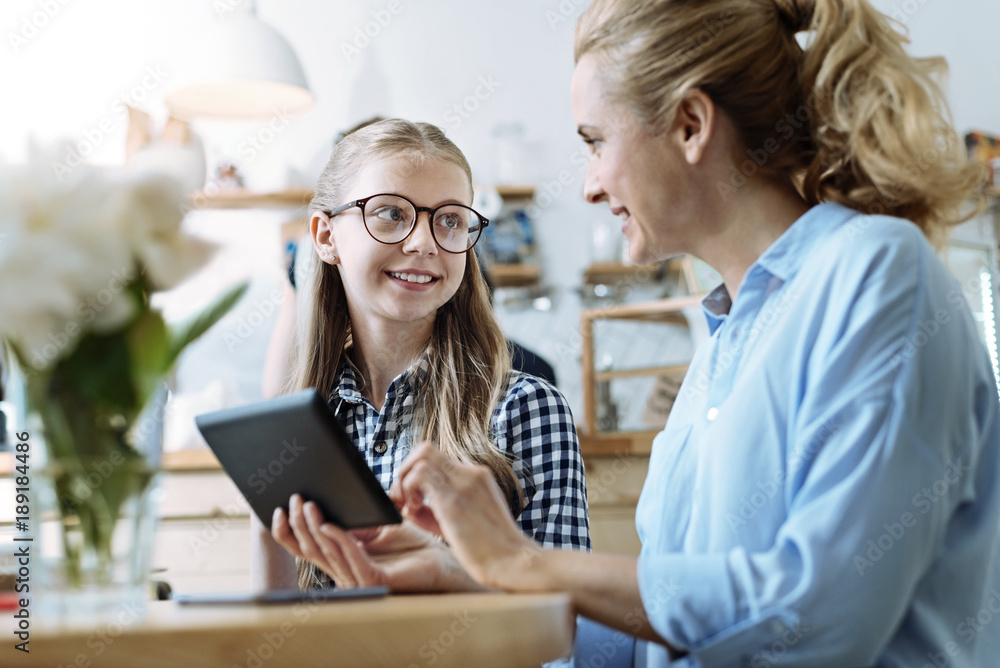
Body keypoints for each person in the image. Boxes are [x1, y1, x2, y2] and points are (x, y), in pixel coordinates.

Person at [298, 1, 1000, 666]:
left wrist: (524, 562)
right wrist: (471, 577)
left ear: (691, 124)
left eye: (595, 142)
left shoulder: (877, 275)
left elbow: (819, 623)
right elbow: (654, 647)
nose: (590, 186)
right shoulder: (721, 349)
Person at [252, 119, 590, 592]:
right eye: (390, 213)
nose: (424, 243)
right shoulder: (297, 432)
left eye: (450, 219)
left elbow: (563, 633)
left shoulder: (529, 410)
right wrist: (267, 527)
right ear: (326, 237)